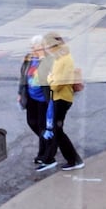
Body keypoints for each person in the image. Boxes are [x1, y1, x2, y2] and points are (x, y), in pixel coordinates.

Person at [38, 31, 85, 172]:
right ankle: (73, 159)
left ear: (54, 45)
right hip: (58, 97)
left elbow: (57, 83)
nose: (46, 48)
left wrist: (50, 79)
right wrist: (52, 78)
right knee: (57, 130)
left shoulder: (65, 59)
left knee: (57, 130)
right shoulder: (59, 58)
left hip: (62, 98)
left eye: (47, 45)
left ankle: (74, 160)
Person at [19, 35, 52, 169]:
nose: (32, 49)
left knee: (42, 125)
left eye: (34, 47)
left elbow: (50, 76)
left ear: (42, 47)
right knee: (32, 122)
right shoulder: (29, 58)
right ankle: (48, 143)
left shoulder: (48, 60)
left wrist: (42, 59)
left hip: (43, 98)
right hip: (31, 96)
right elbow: (23, 75)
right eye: (31, 47)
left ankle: (45, 154)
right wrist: (20, 92)